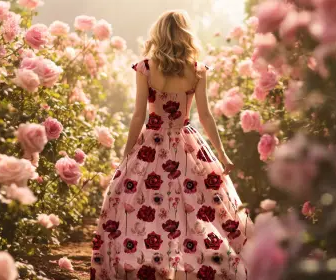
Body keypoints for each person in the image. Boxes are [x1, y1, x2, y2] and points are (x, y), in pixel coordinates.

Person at [90, 10, 252, 280]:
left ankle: (147, 263)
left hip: (150, 144)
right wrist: (221, 154)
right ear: (185, 34)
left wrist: (127, 154)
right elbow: (205, 116)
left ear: (159, 34)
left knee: (146, 206)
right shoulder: (196, 70)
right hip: (186, 144)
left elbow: (138, 115)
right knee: (195, 206)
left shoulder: (146, 67)